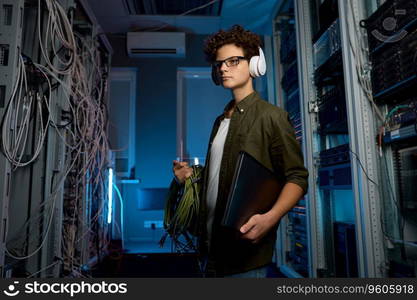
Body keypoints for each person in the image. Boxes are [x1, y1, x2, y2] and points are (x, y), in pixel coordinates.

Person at [172, 25, 308, 277]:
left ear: (255, 64)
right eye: (219, 63)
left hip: (243, 259)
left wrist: (269, 219)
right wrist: (190, 177)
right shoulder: (221, 120)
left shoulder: (272, 117)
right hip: (210, 250)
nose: (223, 68)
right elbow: (222, 177)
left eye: (233, 61)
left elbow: (297, 178)